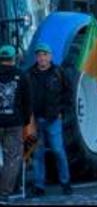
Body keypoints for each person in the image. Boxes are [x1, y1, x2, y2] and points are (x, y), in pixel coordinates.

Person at [27, 41, 72, 197]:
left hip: (54, 120)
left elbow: (68, 94)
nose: (42, 58)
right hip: (35, 120)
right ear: (36, 57)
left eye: (45, 55)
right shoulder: (29, 74)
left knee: (58, 151)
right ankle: (39, 185)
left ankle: (65, 183)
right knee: (38, 154)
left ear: (50, 56)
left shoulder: (59, 73)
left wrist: (62, 111)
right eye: (39, 55)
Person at [0, 45, 29, 200]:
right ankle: (4, 192)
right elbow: (27, 101)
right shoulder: (21, 75)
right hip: (14, 123)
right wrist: (25, 121)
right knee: (12, 157)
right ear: (13, 58)